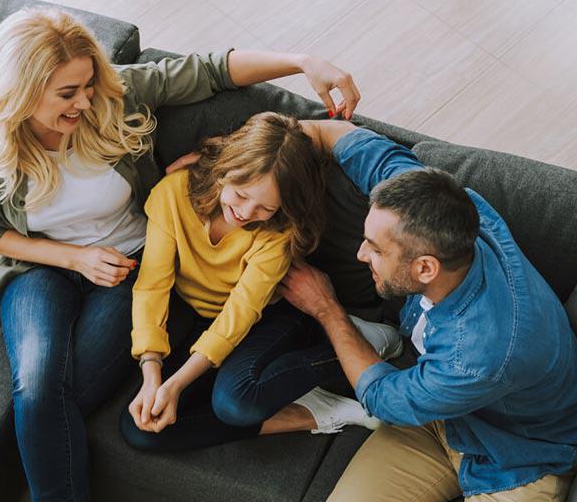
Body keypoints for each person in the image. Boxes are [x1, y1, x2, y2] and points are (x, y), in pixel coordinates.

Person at [0, 6, 363, 502]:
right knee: (38, 389)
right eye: (68, 93)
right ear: (22, 90)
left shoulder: (112, 95)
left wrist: (303, 61)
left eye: (88, 86)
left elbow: (210, 71)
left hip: (128, 267)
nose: (85, 102)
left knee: (67, 399)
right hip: (41, 268)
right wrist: (71, 258)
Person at [276, 119, 577, 502]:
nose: (362, 254)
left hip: (520, 456)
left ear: (425, 267)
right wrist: (273, 142)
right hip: (444, 415)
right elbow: (355, 145)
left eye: (376, 250)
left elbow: (383, 398)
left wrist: (326, 310)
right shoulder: (452, 212)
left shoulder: (481, 352)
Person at [120, 112, 385, 452]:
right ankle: (312, 412)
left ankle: (357, 343)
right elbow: (151, 286)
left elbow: (239, 315)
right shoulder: (172, 195)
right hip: (202, 320)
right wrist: (152, 374)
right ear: (225, 169)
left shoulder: (278, 233)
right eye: (241, 195)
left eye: (265, 208)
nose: (245, 213)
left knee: (236, 403)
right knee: (139, 429)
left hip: (266, 318)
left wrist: (176, 385)